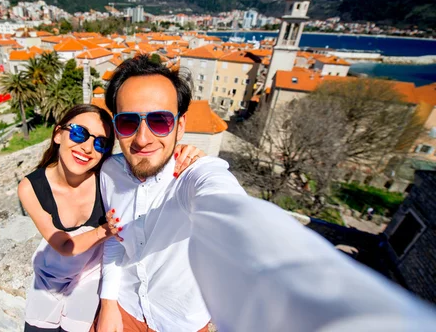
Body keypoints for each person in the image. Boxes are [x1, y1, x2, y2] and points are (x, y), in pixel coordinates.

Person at [96, 56, 436, 332]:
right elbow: (116, 239)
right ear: (116, 127)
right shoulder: (109, 174)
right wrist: (108, 301)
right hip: (122, 310)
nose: (142, 138)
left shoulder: (196, 174)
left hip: (179, 324)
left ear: (181, 126)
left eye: (159, 121)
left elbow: (234, 213)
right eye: (128, 122)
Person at [18, 103, 205, 332]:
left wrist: (185, 153)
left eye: (100, 143)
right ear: (58, 134)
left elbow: (148, 161)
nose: (87, 147)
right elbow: (64, 245)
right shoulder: (31, 187)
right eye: (79, 133)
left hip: (90, 280)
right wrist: (105, 230)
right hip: (52, 276)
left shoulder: (107, 176)